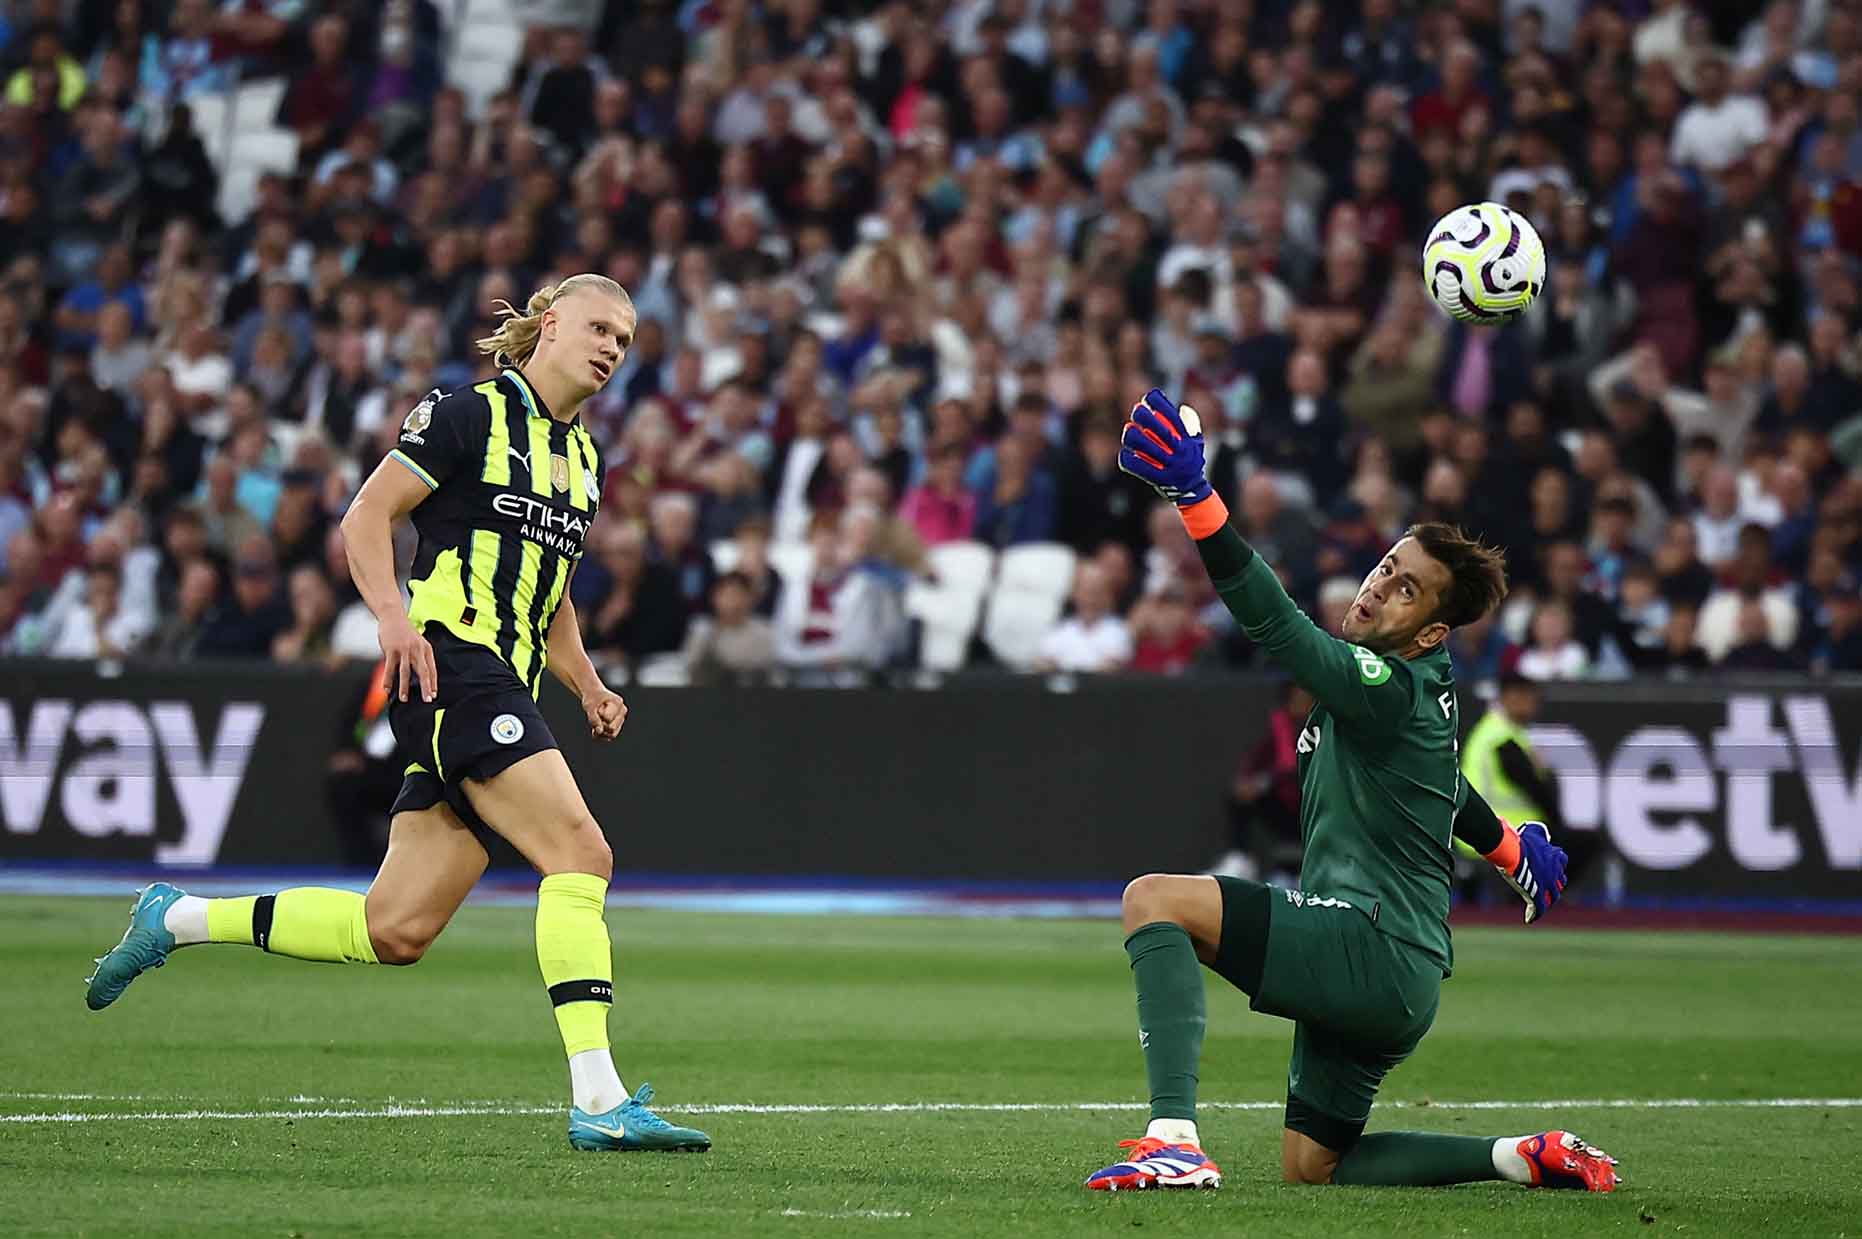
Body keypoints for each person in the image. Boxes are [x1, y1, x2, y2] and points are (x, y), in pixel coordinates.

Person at [84, 275, 711, 1155]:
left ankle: (178, 917)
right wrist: (390, 618)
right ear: (552, 323)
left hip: (503, 683)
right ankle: (600, 1098)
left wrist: (589, 685)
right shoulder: (466, 414)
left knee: (396, 928)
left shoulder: (585, 460)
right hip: (451, 665)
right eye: (600, 327)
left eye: (626, 338)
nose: (613, 347)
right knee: (581, 851)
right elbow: (367, 514)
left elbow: (551, 592)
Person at [1086, 390, 1612, 1194]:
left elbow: (1280, 629)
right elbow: (1445, 787)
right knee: (1314, 1167)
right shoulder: (1423, 687)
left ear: (1434, 630)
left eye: (1407, 590)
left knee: (1154, 901)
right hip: (1400, 976)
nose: (1379, 586)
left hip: (1369, 945)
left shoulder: (1385, 683)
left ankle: (1175, 1141)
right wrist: (1510, 848)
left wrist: (1199, 502)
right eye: (1387, 567)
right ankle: (1519, 1155)